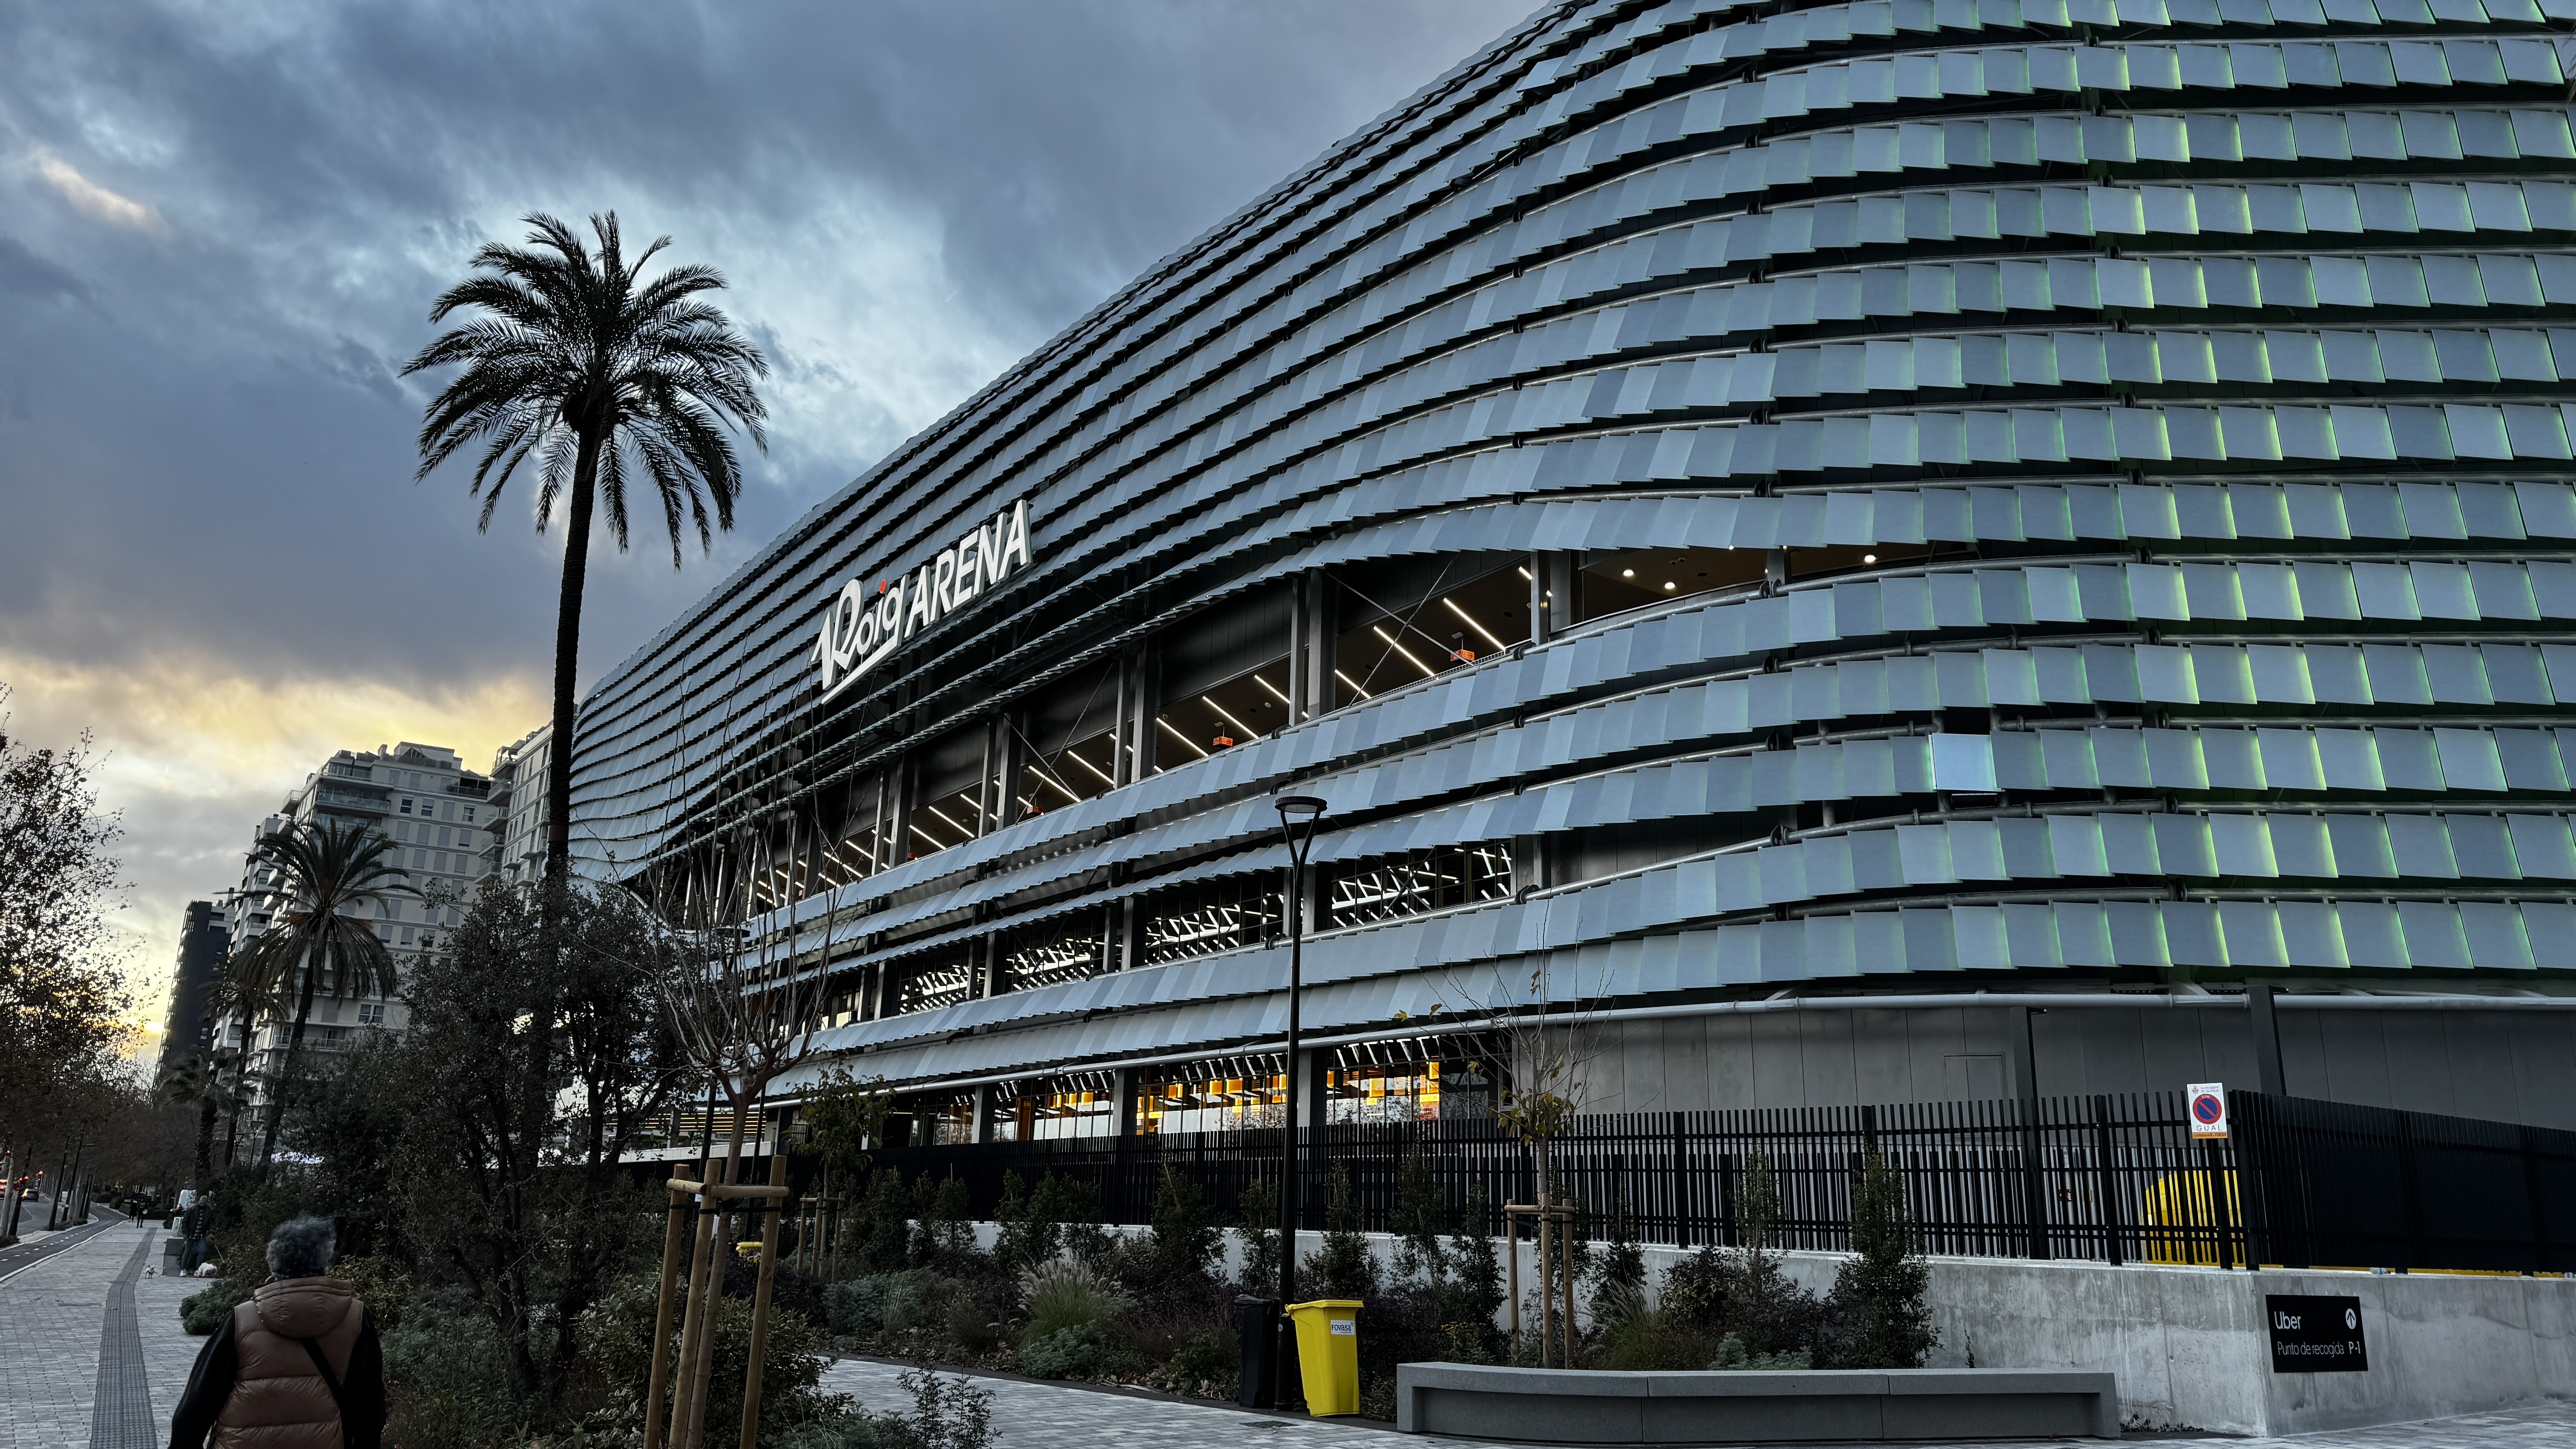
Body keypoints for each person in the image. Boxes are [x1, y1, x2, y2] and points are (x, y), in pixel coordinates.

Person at [169, 1215, 386, 1449]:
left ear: (275, 1262)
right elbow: (370, 1406)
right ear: (325, 1260)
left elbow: (197, 1404)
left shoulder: (243, 1319)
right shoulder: (355, 1318)